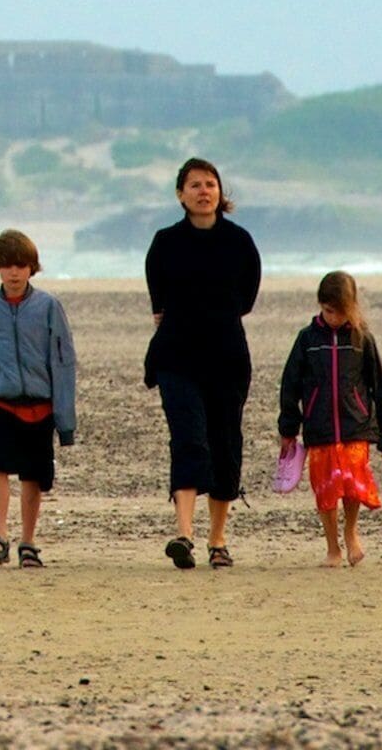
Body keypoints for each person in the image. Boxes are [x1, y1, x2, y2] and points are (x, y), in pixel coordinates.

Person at [141, 156, 260, 569]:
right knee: (188, 439)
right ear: (180, 194)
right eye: (195, 185)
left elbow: (246, 298)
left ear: (220, 192)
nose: (204, 191)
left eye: (211, 183)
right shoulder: (165, 242)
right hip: (176, 355)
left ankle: (218, 539)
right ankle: (184, 535)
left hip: (227, 357)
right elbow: (158, 300)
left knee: (225, 443)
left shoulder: (239, 242)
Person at [0, 228, 79, 566]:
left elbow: (64, 360)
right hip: (0, 399)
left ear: (32, 268)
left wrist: (65, 420)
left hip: (40, 403)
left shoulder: (49, 306)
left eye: (21, 265)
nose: (14, 272)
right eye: (7, 265)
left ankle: (28, 541)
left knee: (33, 475)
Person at [277, 269, 382, 567]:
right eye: (328, 311)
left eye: (340, 311)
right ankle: (332, 547)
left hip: (355, 425)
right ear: (320, 305)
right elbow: (290, 384)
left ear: (352, 307)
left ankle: (351, 531)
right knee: (326, 488)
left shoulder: (361, 338)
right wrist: (288, 428)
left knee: (353, 483)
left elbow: (378, 386)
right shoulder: (307, 339)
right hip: (319, 428)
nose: (333, 318)